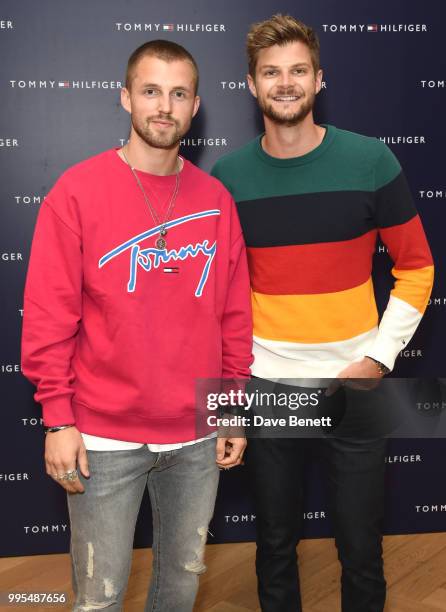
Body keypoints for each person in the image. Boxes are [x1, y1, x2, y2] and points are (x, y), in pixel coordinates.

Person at [211, 14, 434, 612]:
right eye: (271, 73)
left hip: (354, 385)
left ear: (318, 80)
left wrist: (377, 359)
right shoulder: (226, 179)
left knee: (361, 546)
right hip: (267, 385)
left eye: (298, 71)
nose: (285, 83)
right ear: (252, 86)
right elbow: (219, 299)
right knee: (275, 542)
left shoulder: (371, 161)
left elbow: (417, 268)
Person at [22, 39, 252, 612]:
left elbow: (234, 317)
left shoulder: (217, 200)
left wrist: (229, 409)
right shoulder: (75, 192)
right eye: (151, 91)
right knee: (99, 597)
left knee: (180, 586)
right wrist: (57, 420)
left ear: (195, 106)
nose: (164, 106)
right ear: (126, 98)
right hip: (102, 438)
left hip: (196, 436)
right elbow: (50, 316)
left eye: (178, 94)